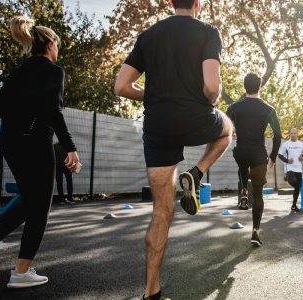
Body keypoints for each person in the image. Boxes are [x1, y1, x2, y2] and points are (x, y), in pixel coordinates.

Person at [113, 1, 232, 299]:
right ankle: (197, 172)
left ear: (169, 2)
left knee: (161, 213)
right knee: (227, 129)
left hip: (158, 126)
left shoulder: (149, 35)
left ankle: (150, 291)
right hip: (195, 118)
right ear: (198, 3)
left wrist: (152, 96)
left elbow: (121, 87)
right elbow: (212, 87)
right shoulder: (207, 31)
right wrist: (208, 100)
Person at [0, 15, 80, 288]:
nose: (58, 50)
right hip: (35, 143)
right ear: (51, 45)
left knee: (29, 201)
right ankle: (21, 271)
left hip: (13, 143)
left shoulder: (20, 71)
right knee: (39, 206)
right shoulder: (53, 71)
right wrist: (71, 148)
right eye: (58, 45)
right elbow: (53, 111)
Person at [227, 73, 281, 246]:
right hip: (259, 155)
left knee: (242, 162)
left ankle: (243, 189)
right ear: (260, 87)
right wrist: (273, 156)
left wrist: (233, 133)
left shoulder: (234, 107)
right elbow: (278, 135)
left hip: (241, 151)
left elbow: (225, 128)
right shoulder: (269, 109)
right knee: (258, 194)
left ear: (244, 87)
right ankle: (255, 232)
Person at [278, 128, 303, 212]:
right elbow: (279, 155)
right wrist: (287, 161)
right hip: (289, 168)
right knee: (294, 182)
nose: (293, 135)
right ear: (289, 134)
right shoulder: (285, 144)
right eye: (292, 133)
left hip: (298, 169)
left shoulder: (301, 144)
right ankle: (287, 176)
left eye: (295, 133)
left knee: (298, 187)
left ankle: (294, 205)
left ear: (297, 134)